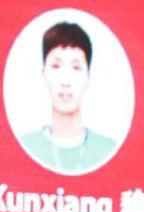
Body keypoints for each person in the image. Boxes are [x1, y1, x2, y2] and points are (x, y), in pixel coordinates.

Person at [20, 21, 118, 174]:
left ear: (88, 77)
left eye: (76, 68)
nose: (66, 81)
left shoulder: (109, 150)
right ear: (44, 73)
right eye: (56, 66)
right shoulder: (25, 146)